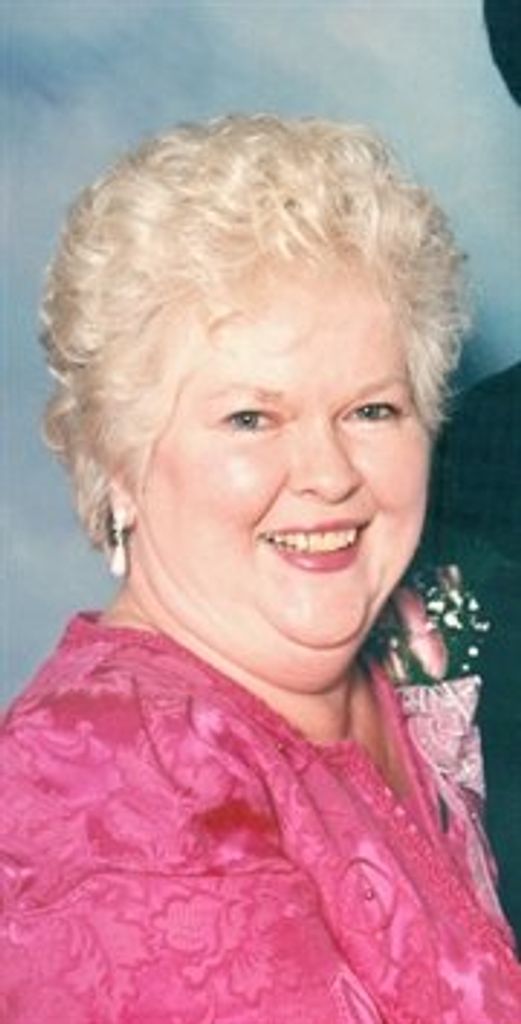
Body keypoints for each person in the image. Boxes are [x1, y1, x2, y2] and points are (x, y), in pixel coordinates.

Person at [1, 115, 520, 1023]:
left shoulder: (406, 662)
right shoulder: (106, 775)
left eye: (370, 410)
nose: (328, 474)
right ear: (118, 460)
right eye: (251, 419)